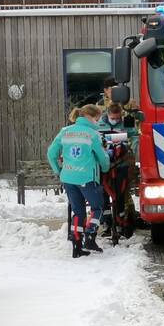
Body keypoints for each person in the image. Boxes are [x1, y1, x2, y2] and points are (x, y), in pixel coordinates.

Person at [48, 104, 112, 259]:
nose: (98, 122)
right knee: (97, 207)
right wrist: (105, 168)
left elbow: (51, 153)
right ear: (90, 117)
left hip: (68, 178)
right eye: (97, 119)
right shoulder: (92, 134)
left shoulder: (65, 132)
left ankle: (77, 246)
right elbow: (103, 158)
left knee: (78, 212)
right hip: (87, 179)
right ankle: (90, 236)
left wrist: (59, 170)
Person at [98, 103, 138, 240]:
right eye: (113, 117)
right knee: (104, 193)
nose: (115, 120)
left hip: (122, 163)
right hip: (104, 165)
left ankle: (122, 222)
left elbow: (134, 136)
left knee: (120, 195)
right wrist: (115, 139)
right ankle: (107, 223)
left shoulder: (127, 122)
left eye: (117, 117)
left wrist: (126, 143)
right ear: (108, 115)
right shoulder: (99, 123)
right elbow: (97, 140)